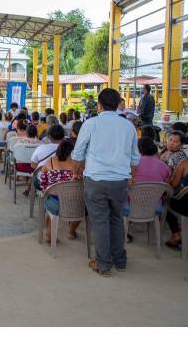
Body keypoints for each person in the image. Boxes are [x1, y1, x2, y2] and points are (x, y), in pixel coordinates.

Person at [71, 88, 140, 277]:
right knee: (117, 219)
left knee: (100, 222)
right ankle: (120, 261)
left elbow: (78, 154)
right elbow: (135, 158)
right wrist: (131, 176)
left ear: (99, 105)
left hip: (96, 180)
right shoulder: (128, 126)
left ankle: (103, 264)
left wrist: (76, 172)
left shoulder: (91, 124)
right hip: (119, 181)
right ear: (118, 104)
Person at [40, 139, 78, 242]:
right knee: (83, 207)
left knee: (49, 202)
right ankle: (71, 232)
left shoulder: (50, 161)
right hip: (75, 204)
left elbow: (43, 182)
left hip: (55, 203)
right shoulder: (78, 165)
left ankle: (49, 234)